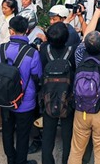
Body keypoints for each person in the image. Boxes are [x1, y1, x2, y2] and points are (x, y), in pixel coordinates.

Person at [68, 0, 100, 164]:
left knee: (76, 152)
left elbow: (86, 36)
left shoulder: (79, 55)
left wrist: (97, 12)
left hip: (81, 110)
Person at [0, 15, 42, 164]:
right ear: (27, 30)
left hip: (4, 99)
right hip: (25, 102)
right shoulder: (32, 53)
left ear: (11, 31)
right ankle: (21, 161)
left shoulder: (0, 50)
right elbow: (37, 76)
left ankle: (11, 159)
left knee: (7, 131)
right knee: (23, 134)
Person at [40, 22, 76, 164]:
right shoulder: (72, 51)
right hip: (67, 98)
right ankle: (67, 160)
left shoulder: (44, 50)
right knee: (68, 136)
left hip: (48, 97)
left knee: (48, 136)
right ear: (66, 38)